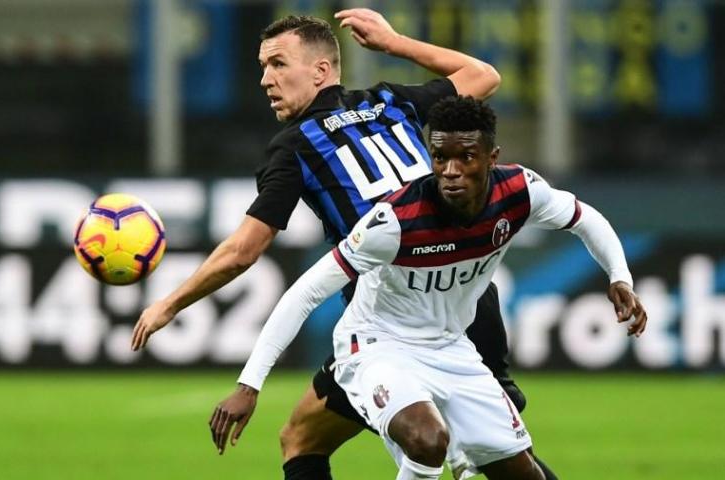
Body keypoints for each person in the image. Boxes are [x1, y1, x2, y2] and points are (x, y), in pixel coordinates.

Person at [131, 9, 555, 479]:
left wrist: (169, 303)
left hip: (392, 319)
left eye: (277, 64)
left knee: (314, 441)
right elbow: (483, 75)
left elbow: (242, 251)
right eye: (262, 67)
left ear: (321, 70)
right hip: (471, 299)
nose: (265, 80)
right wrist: (394, 43)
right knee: (501, 462)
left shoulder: (296, 145)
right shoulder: (391, 101)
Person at [210, 96, 648, 479]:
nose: (451, 172)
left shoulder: (520, 192)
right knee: (427, 439)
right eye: (440, 159)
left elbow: (585, 218)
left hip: (452, 349)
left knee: (522, 472)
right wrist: (249, 386)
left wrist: (619, 276)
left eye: (466, 158)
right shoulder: (394, 222)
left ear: (491, 157)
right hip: (377, 346)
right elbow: (304, 293)